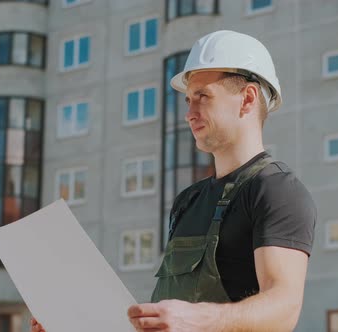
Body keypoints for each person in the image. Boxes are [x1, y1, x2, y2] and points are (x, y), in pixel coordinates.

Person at [31, 30, 315, 332]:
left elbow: (284, 309)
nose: (189, 114)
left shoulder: (276, 190)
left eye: (203, 96)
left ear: (247, 99)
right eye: (188, 100)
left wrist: (196, 318)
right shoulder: (188, 200)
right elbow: (169, 319)